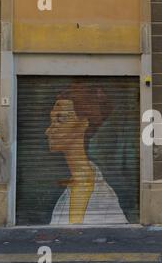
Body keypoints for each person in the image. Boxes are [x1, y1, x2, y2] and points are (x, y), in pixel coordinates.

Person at [46, 83, 128, 225]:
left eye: (60, 119)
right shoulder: (69, 190)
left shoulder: (104, 197)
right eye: (52, 121)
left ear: (84, 123)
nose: (48, 130)